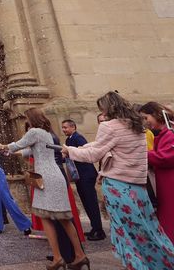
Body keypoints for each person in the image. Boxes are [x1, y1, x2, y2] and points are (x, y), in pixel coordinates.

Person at [64, 91, 174, 270]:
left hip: (118, 186)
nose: (103, 114)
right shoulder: (137, 125)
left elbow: (94, 154)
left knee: (127, 236)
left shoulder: (109, 126)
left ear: (109, 108)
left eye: (103, 110)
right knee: (150, 232)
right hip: (138, 188)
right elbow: (114, 147)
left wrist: (70, 151)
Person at [0, 109, 87, 270]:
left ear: (32, 119)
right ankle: (80, 255)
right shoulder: (46, 133)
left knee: (46, 217)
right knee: (63, 218)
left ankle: (58, 258)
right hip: (56, 176)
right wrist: (11, 152)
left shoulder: (35, 132)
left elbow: (16, 145)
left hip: (45, 177)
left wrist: (1, 146)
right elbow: (29, 151)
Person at [61, 120, 105, 241]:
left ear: (73, 127)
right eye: (62, 128)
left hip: (86, 175)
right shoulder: (69, 139)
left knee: (91, 203)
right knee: (86, 203)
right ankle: (94, 227)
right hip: (79, 176)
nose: (63, 130)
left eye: (65, 127)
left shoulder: (78, 138)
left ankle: (99, 230)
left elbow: (85, 153)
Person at [140, 101, 174, 243]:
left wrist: (142, 153)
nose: (146, 122)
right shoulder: (164, 134)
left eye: (146, 118)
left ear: (155, 115)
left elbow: (165, 157)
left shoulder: (170, 134)